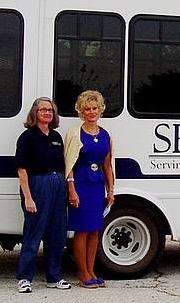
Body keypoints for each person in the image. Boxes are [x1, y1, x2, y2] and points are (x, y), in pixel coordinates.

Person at [14, 97, 71, 293]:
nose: (47, 113)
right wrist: (28, 198)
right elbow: (22, 170)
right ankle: (24, 278)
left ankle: (53, 277)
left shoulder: (56, 137)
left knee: (57, 234)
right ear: (35, 113)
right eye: (43, 110)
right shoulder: (27, 137)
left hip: (57, 184)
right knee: (33, 233)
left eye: (50, 110)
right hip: (37, 185)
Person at [65, 90, 115, 288]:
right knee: (82, 231)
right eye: (87, 109)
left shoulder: (105, 134)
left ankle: (92, 270)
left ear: (100, 110)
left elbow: (108, 164)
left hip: (96, 186)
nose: (92, 112)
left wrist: (110, 189)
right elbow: (68, 163)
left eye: (95, 108)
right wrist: (72, 190)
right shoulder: (75, 133)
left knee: (95, 230)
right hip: (80, 185)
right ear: (81, 111)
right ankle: (82, 272)